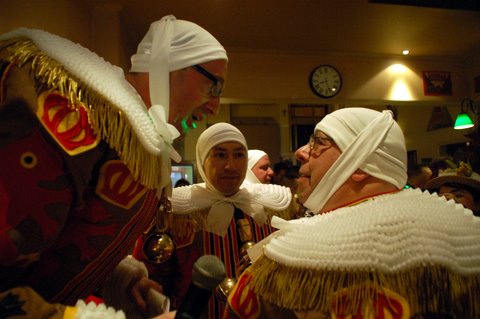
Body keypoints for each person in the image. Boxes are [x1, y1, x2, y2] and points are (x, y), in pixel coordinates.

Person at [0, 14, 227, 318]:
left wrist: (114, 275)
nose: (215, 107)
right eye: (213, 86)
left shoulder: (136, 138)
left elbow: (65, 235)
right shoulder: (73, 106)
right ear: (168, 64)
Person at [225, 108, 480, 318]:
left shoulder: (284, 267)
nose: (301, 152)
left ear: (359, 165)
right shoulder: (465, 240)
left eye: (318, 143)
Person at [133, 122, 294, 319]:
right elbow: (152, 282)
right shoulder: (174, 212)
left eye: (238, 155)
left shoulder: (271, 208)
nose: (231, 166)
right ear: (202, 160)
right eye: (220, 155)